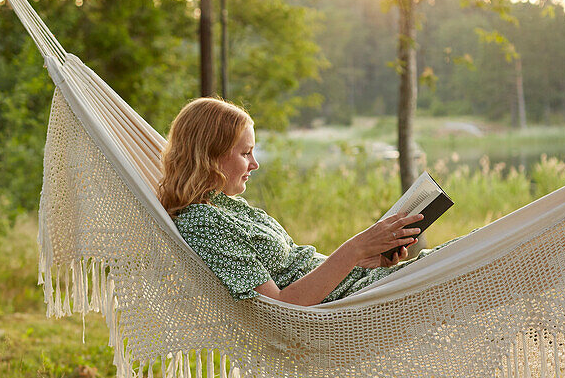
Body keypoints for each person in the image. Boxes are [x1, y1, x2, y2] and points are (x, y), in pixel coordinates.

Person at [158, 97, 424, 306]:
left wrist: (368, 259)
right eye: (246, 153)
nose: (255, 164)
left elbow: (296, 268)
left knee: (456, 258)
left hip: (359, 284)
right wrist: (354, 248)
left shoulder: (225, 206)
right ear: (210, 156)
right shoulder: (203, 224)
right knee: (462, 267)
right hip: (348, 305)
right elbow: (279, 307)